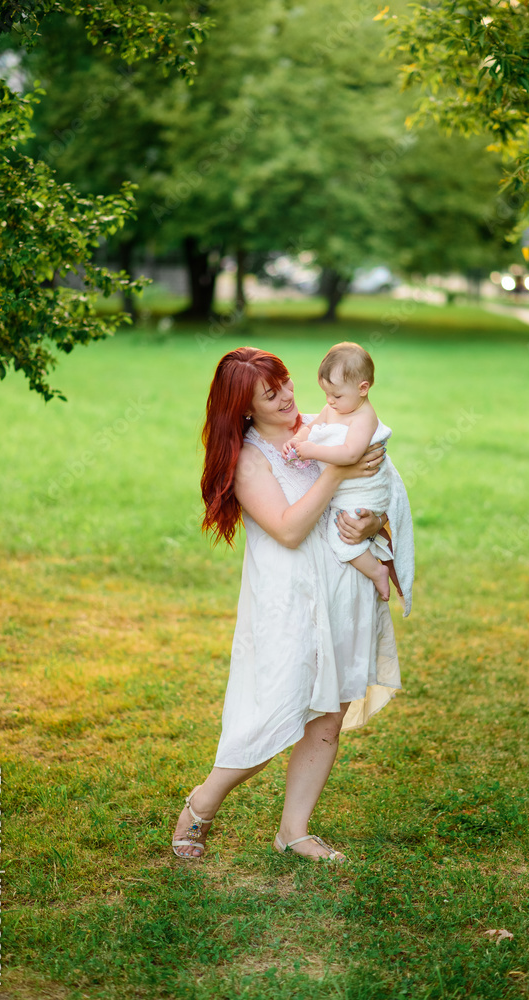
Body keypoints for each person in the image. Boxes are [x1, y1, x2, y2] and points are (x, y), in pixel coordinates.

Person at [171, 346, 409, 863]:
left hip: (342, 594)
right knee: (275, 712)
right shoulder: (249, 459)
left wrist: (370, 521)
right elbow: (288, 528)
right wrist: (336, 472)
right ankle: (201, 805)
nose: (286, 396)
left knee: (327, 716)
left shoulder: (322, 426)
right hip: (289, 603)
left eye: (284, 382)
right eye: (269, 392)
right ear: (244, 408)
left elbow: (378, 488)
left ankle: (294, 831)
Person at [282, 341, 406, 604]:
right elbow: (312, 428)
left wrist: (312, 450)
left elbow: (351, 454)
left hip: (364, 490)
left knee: (341, 538)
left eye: (336, 395)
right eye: (326, 394)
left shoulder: (364, 417)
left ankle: (378, 570)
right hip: (347, 486)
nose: (329, 401)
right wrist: (298, 440)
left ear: (363, 389)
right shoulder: (335, 408)